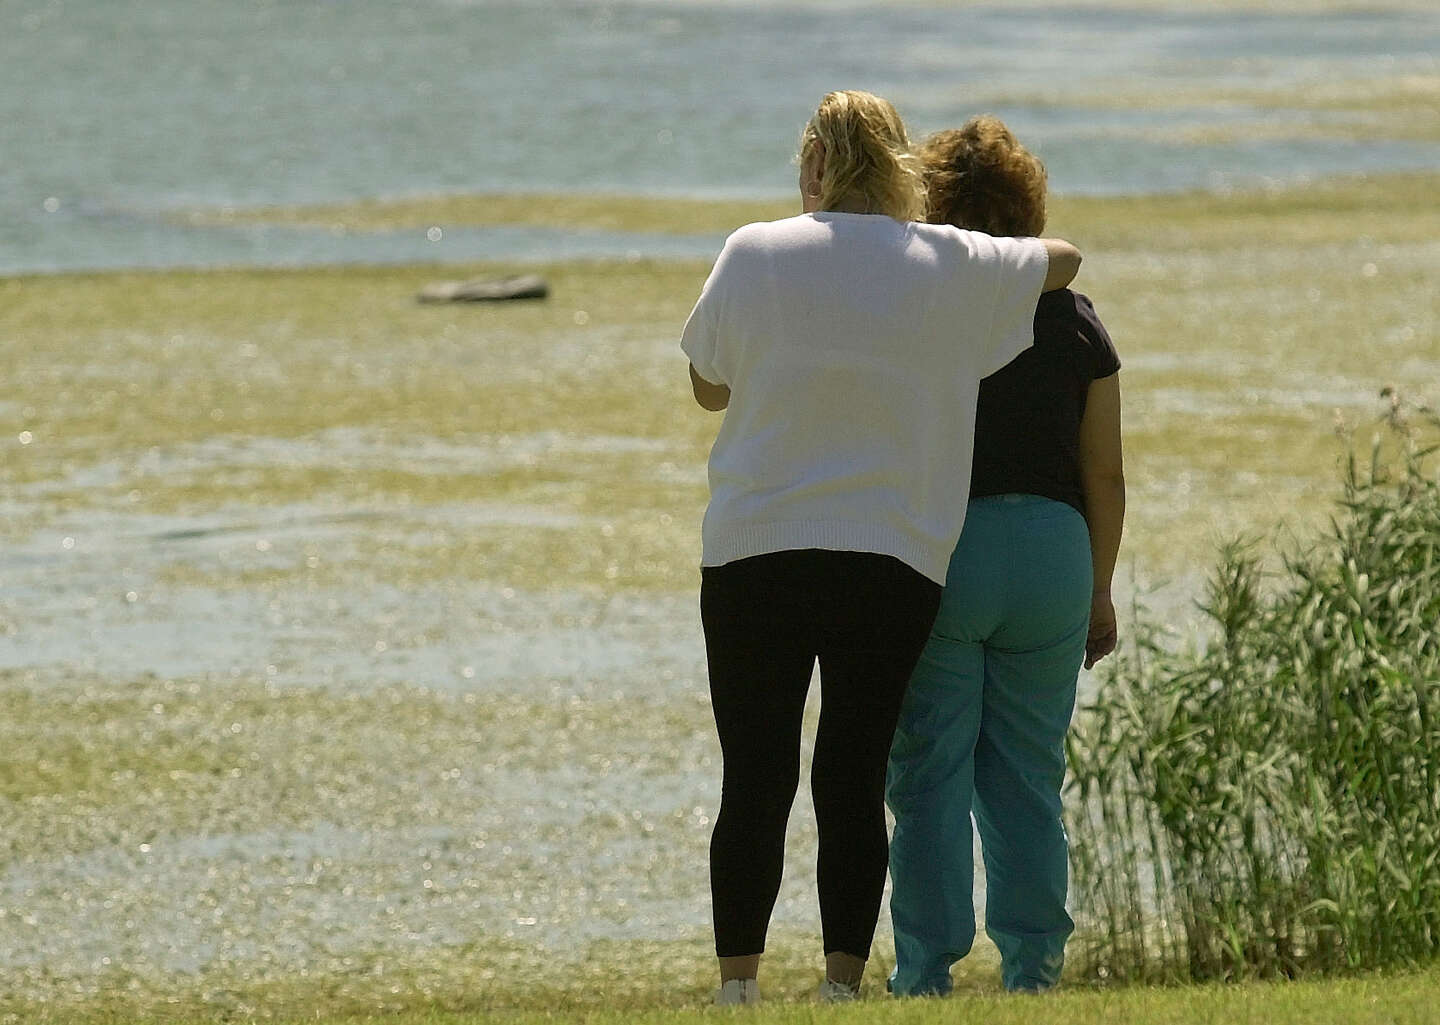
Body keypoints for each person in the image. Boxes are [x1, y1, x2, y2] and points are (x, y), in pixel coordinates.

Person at [680, 91, 1083, 1006]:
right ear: (901, 165)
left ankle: (738, 989)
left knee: (756, 774)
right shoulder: (946, 260)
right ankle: (840, 985)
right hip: (891, 557)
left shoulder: (754, 249)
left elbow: (709, 386)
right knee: (853, 774)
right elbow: (1064, 259)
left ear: (815, 163)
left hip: (755, 548)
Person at [885, 115, 1126, 997]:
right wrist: (1099, 588)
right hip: (1055, 554)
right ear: (1027, 207)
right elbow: (1106, 474)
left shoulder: (925, 308)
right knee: (1028, 777)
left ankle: (925, 971)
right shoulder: (1076, 319)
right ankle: (1034, 968)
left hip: (950, 547)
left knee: (930, 773)